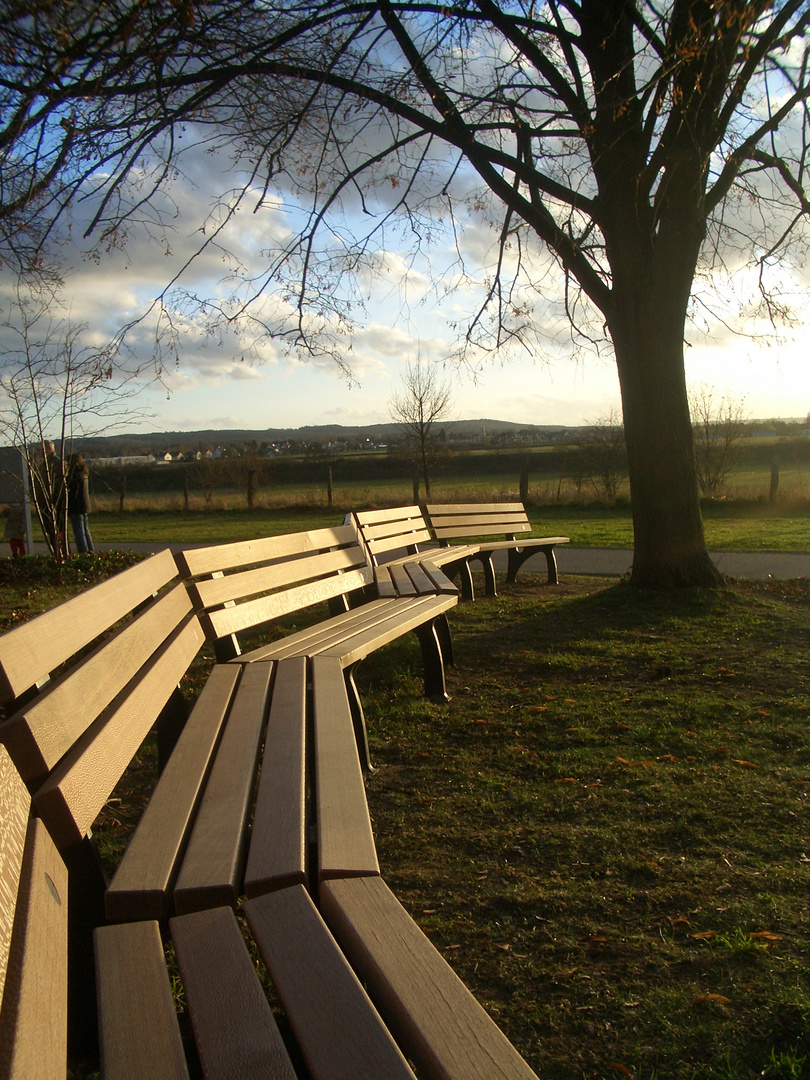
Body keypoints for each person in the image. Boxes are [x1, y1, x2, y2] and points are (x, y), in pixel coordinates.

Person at [67, 453, 95, 554]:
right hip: (84, 504)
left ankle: (83, 551)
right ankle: (90, 550)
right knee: (85, 529)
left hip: (76, 506)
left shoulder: (74, 475)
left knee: (78, 531)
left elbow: (73, 493)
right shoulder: (83, 473)